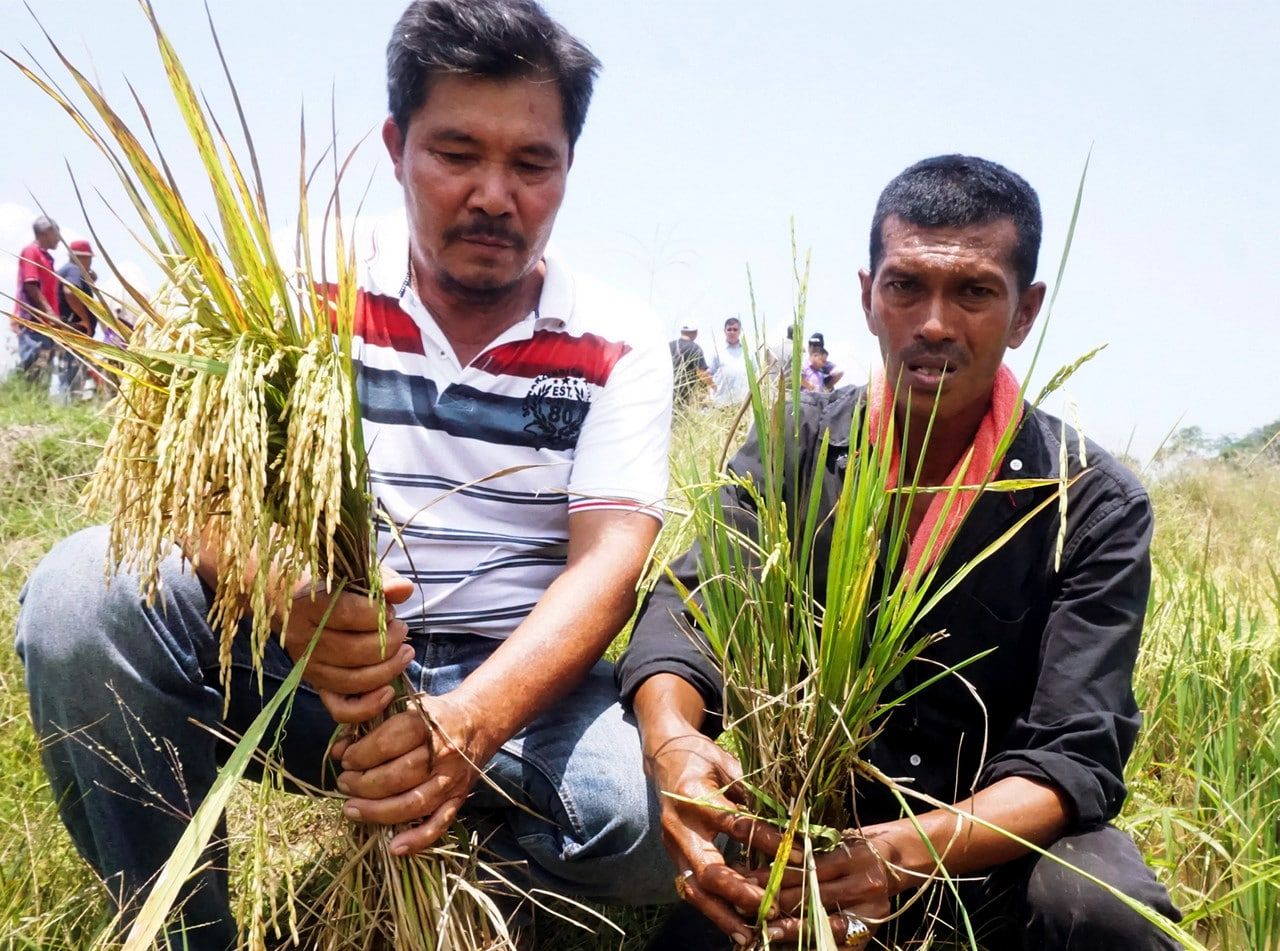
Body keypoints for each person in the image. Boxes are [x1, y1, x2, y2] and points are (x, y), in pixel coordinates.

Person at [16, 2, 676, 948]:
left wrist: (468, 726)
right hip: (310, 675)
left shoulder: (619, 340)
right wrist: (282, 591)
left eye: (533, 163)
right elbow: (193, 493)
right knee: (83, 597)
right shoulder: (299, 286)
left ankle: (441, 883)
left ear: (569, 166)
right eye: (457, 153)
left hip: (518, 692)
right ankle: (177, 929)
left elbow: (609, 562)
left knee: (652, 818)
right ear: (397, 145)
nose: (495, 194)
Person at [619, 155, 1181, 950]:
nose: (935, 324)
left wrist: (905, 851)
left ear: (1026, 312)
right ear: (867, 294)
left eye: (976, 292)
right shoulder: (795, 444)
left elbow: (1073, 755)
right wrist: (674, 743)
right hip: (807, 838)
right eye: (905, 285)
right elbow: (690, 607)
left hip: (993, 856)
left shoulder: (1090, 501)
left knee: (1101, 907)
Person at [13, 216, 61, 380]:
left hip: (44, 323)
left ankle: (36, 403)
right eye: (57, 233)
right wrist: (50, 313)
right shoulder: (31, 251)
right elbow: (30, 285)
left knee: (43, 370)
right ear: (46, 232)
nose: (59, 239)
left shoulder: (46, 258)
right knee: (33, 368)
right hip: (33, 322)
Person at [51, 239, 98, 402]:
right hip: (75, 328)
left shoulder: (68, 270)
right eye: (89, 258)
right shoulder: (73, 270)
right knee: (73, 369)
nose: (90, 262)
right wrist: (85, 320)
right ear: (81, 257)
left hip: (67, 326)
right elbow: (70, 291)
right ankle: (69, 405)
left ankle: (66, 405)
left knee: (67, 369)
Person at [707, 316, 748, 406]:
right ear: (724, 331)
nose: (732, 332)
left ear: (740, 331)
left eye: (735, 329)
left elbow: (755, 372)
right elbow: (709, 374)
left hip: (742, 403)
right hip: (721, 402)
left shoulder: (747, 351)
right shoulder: (717, 350)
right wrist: (712, 392)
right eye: (729, 329)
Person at [670, 322, 712, 405]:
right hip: (685, 395)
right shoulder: (695, 348)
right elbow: (701, 373)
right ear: (695, 332)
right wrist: (713, 386)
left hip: (668, 392)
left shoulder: (669, 346)